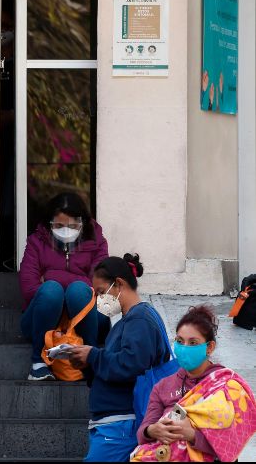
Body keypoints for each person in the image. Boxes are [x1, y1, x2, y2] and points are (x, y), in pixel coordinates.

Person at [67, 255, 171, 462]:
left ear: (119, 284)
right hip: (114, 424)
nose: (99, 299)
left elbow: (132, 364)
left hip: (121, 425)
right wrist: (87, 363)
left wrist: (93, 355)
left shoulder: (139, 319)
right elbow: (116, 367)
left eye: (101, 292)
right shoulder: (128, 321)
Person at [131, 305, 256, 462]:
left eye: (193, 343)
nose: (184, 348)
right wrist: (152, 430)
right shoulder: (163, 386)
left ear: (209, 347)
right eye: (180, 341)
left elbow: (231, 444)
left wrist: (192, 435)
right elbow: (142, 433)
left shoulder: (227, 385)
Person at [18, 192, 110, 381]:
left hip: (87, 317)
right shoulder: (36, 242)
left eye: (72, 226)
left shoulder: (97, 242)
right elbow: (29, 288)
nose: (66, 230)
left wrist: (52, 277)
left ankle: (91, 358)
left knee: (78, 291)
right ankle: (39, 362)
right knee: (51, 291)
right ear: (49, 223)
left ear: (82, 223)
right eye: (59, 226)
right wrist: (59, 290)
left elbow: (100, 286)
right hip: (43, 318)